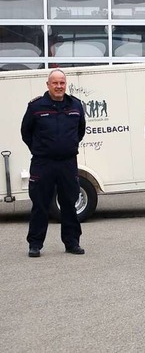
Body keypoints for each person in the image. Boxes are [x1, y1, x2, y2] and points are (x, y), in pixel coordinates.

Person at [21, 69, 86, 257]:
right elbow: (26, 132)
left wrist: (67, 146)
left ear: (66, 84)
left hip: (67, 163)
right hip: (43, 164)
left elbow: (80, 131)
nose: (59, 86)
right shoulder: (36, 107)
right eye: (55, 83)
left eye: (62, 83)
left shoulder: (75, 105)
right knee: (40, 204)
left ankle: (72, 243)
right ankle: (35, 244)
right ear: (48, 85)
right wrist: (40, 150)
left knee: (69, 203)